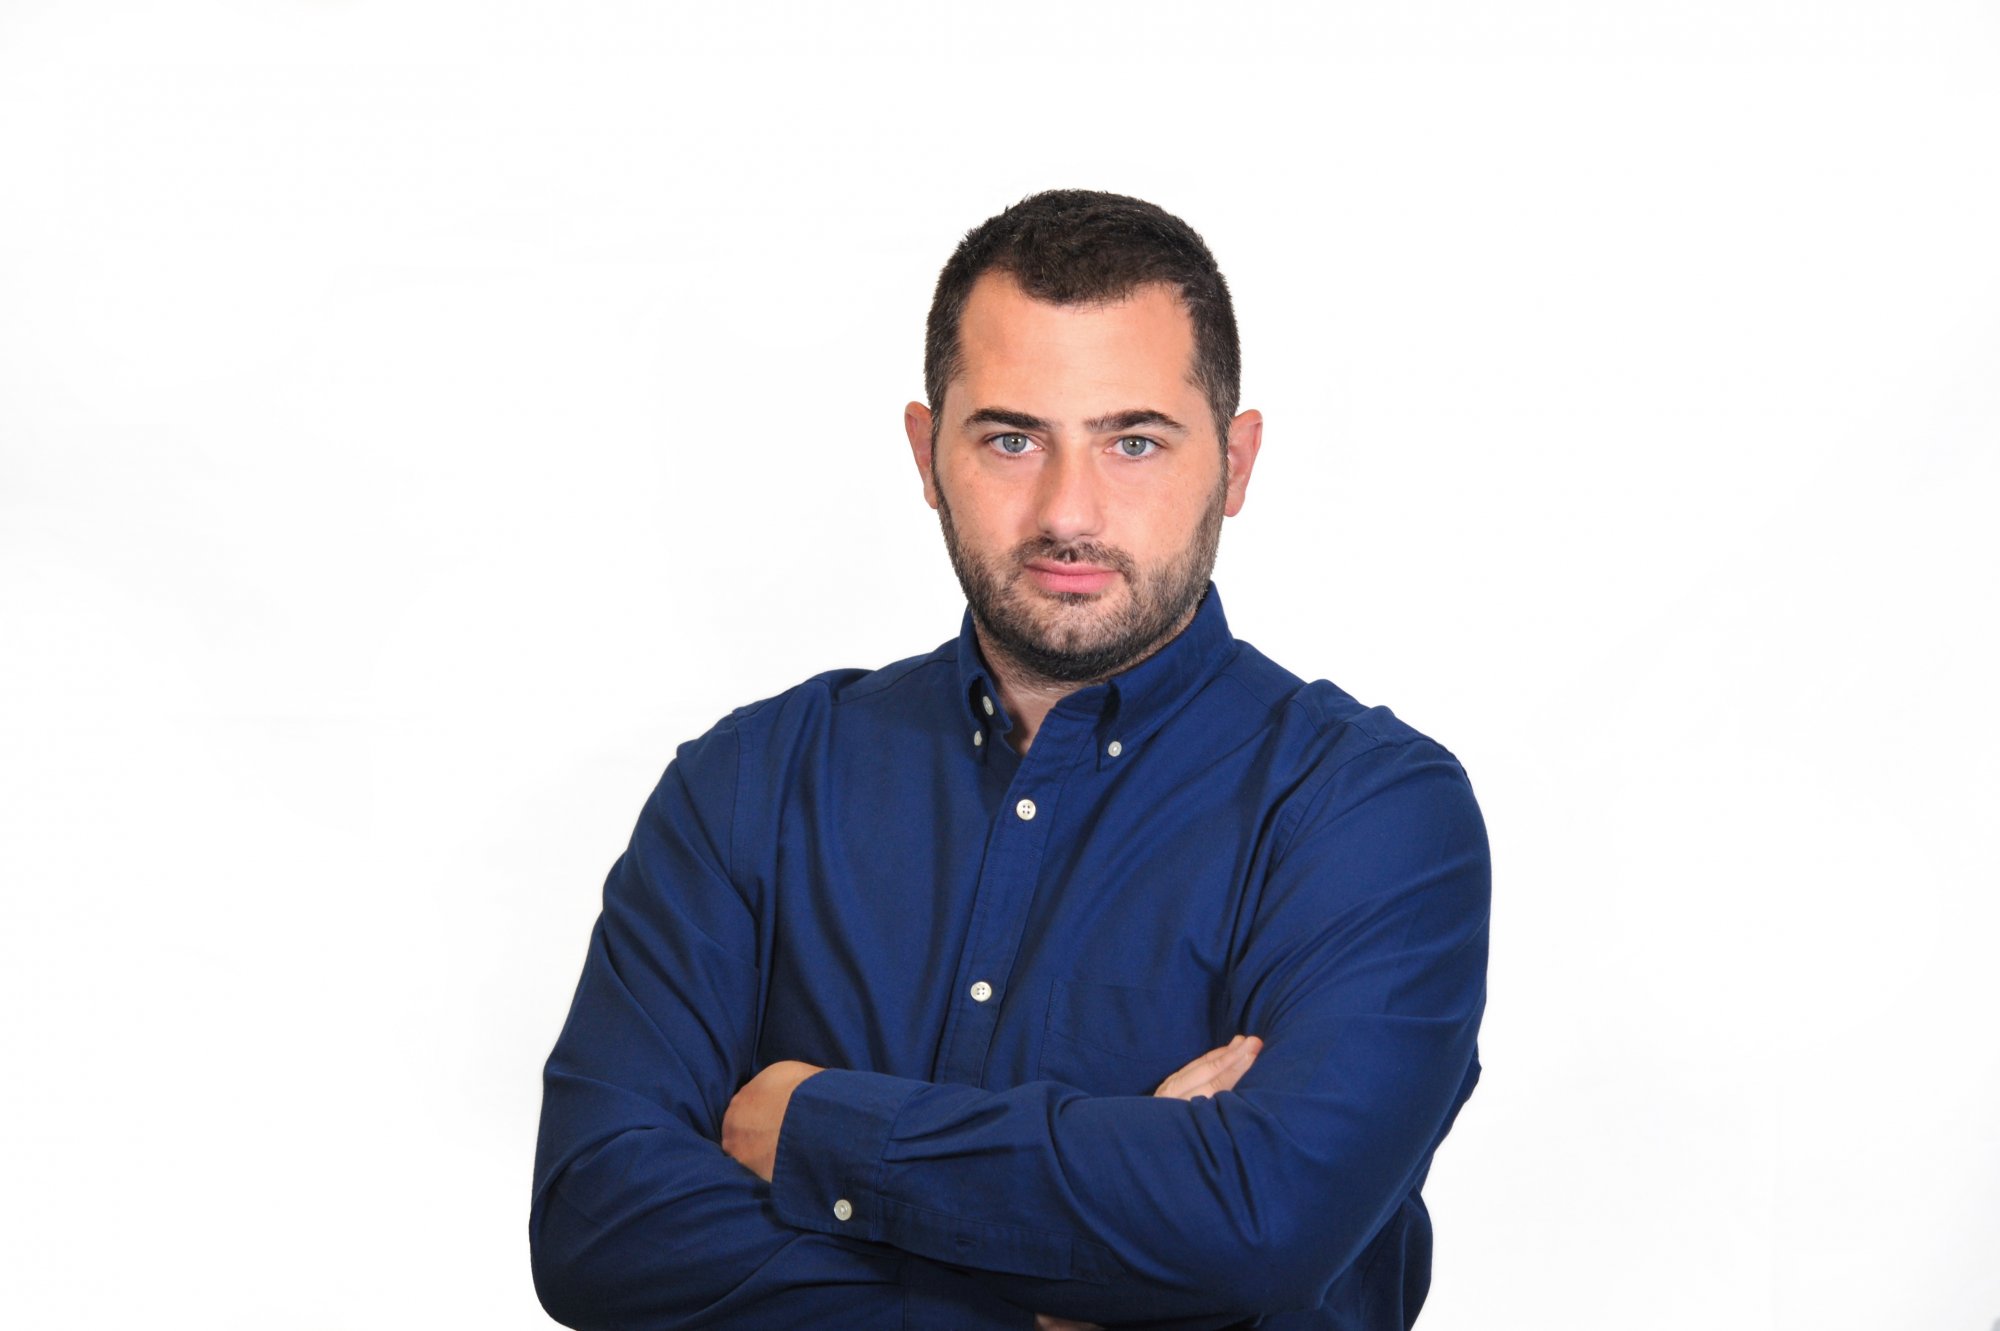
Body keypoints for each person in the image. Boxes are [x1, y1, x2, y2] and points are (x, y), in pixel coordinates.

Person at [530, 189, 1490, 1330]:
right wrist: (1067, 1291)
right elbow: (599, 1226)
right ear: (925, 452)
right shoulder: (749, 784)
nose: (1067, 510)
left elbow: (1258, 1227)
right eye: (1011, 439)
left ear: (1234, 464)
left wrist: (816, 1128)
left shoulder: (1369, 812)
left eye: (1134, 441)